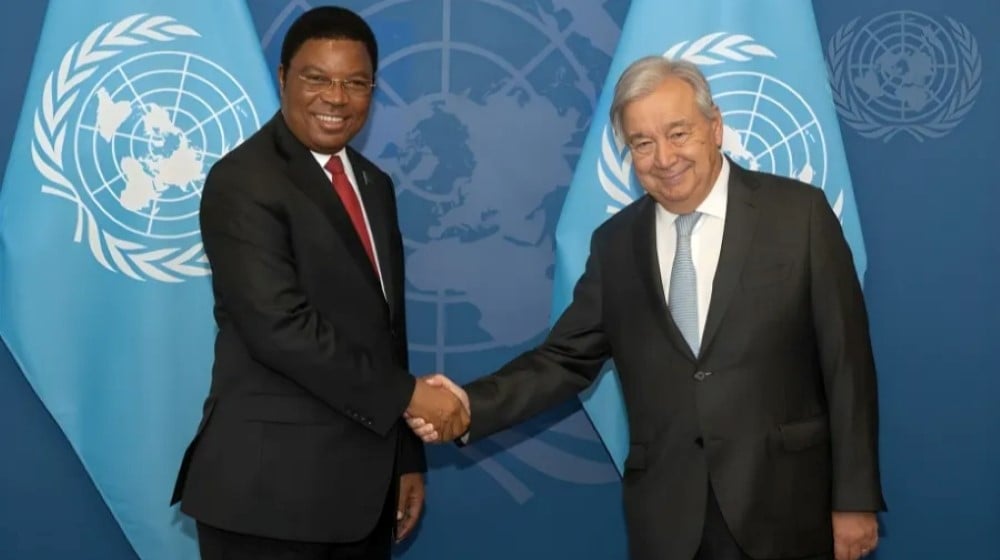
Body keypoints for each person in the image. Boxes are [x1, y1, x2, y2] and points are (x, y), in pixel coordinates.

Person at [408, 57, 885, 560]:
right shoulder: (616, 245)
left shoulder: (799, 215)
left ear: (715, 127)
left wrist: (853, 500)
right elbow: (564, 360)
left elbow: (847, 365)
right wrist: (468, 408)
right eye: (642, 143)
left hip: (788, 509)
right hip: (669, 520)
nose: (664, 157)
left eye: (679, 133)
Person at [170, 7, 467, 559]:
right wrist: (412, 396)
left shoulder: (373, 184)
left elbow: (386, 332)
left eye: (355, 83)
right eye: (317, 78)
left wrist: (404, 459)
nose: (336, 98)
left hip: (362, 496)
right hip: (267, 503)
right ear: (283, 78)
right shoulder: (242, 181)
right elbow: (279, 328)